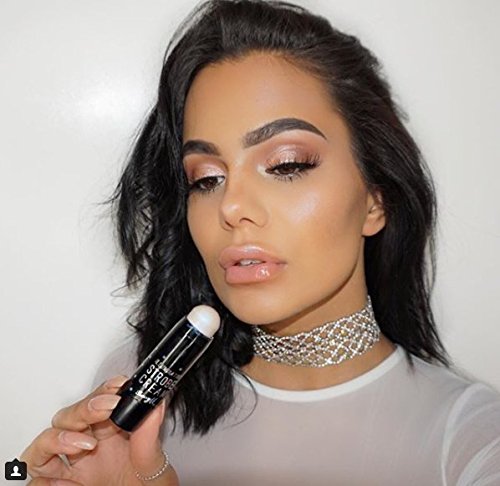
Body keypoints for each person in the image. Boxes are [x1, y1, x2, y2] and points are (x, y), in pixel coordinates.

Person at [20, 1, 500, 484]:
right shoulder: (139, 389)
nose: (231, 206)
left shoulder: (469, 439)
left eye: (287, 165)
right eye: (206, 179)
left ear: (375, 200)